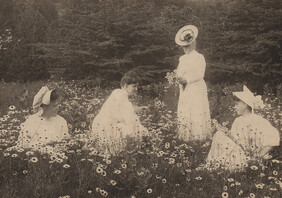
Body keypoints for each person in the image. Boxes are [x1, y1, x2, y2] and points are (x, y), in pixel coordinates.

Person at [206, 86, 280, 171]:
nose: (235, 107)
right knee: (219, 134)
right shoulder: (238, 120)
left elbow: (273, 137)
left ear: (245, 105)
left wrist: (259, 155)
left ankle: (228, 167)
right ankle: (215, 165)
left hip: (246, 155)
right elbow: (235, 139)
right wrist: (227, 134)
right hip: (237, 151)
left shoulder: (257, 120)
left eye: (236, 104)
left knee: (222, 137)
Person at [90, 71, 148, 155]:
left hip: (101, 123)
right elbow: (125, 116)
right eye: (134, 86)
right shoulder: (121, 95)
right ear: (125, 86)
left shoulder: (118, 92)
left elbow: (122, 110)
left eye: (137, 86)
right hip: (106, 126)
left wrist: (138, 109)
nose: (136, 89)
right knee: (134, 128)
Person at [174, 25, 211, 141]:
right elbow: (179, 72)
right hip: (185, 90)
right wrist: (179, 79)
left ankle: (198, 138)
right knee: (185, 111)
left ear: (193, 43)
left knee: (197, 110)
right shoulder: (182, 58)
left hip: (196, 88)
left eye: (188, 45)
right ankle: (186, 138)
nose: (185, 48)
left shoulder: (199, 57)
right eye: (184, 46)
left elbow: (200, 74)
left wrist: (187, 79)